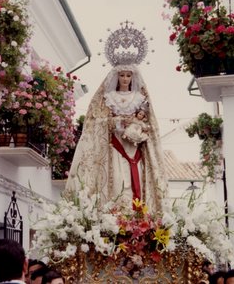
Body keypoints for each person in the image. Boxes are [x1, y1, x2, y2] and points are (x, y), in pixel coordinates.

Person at [65, 64, 168, 213]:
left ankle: (136, 216)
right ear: (116, 77)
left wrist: (139, 126)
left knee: (136, 177)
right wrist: (116, 121)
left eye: (128, 75)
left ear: (133, 77)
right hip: (114, 146)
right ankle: (115, 215)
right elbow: (95, 119)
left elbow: (149, 122)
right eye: (122, 75)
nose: (125, 79)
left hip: (134, 145)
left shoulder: (140, 98)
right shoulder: (108, 97)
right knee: (117, 178)